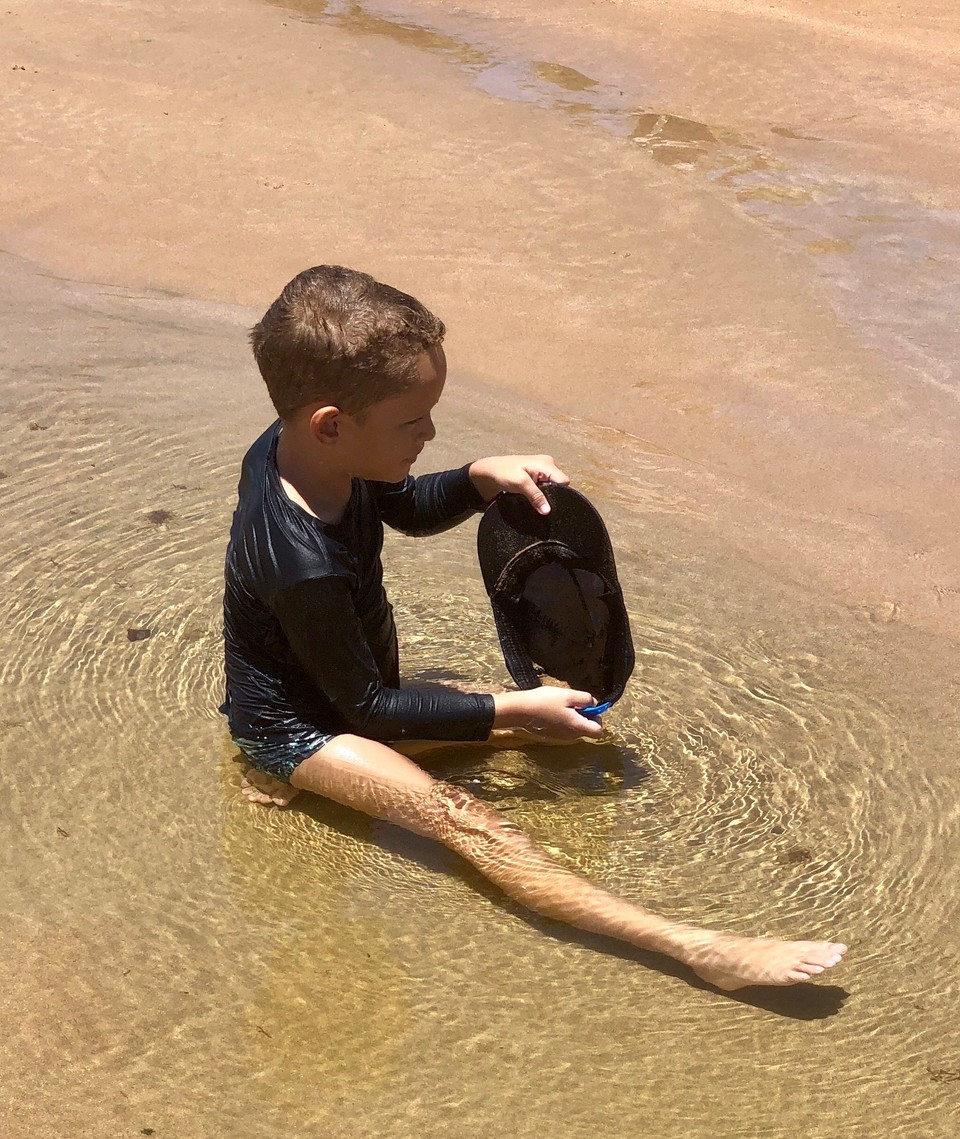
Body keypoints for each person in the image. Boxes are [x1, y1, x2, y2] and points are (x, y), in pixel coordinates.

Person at [221, 265, 847, 991]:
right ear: (330, 424)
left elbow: (408, 506)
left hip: (355, 695)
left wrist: (479, 476)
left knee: (581, 724)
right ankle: (700, 949)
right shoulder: (300, 562)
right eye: (411, 421)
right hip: (306, 728)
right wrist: (507, 706)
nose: (431, 431)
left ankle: (330, 776)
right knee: (471, 822)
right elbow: (369, 710)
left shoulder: (303, 448)